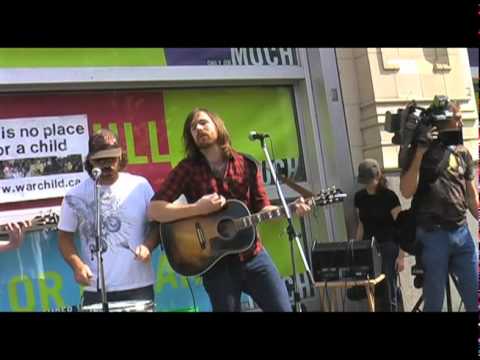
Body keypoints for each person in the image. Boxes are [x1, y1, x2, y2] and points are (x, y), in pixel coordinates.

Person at [148, 108, 310, 312]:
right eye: (193, 127)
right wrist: (197, 208)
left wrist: (291, 209)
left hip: (254, 256)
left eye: (203, 123)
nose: (198, 128)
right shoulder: (187, 169)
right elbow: (155, 210)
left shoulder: (247, 164)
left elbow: (263, 208)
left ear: (217, 126)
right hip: (216, 265)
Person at [58, 129, 159, 307]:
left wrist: (148, 246)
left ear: (121, 156)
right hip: (95, 287)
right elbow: (64, 238)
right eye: (100, 160)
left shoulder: (140, 186)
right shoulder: (75, 195)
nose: (107, 165)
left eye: (112, 158)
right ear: (90, 160)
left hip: (138, 284)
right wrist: (78, 266)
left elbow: (157, 225)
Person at [399, 101, 478, 312]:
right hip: (433, 236)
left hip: (462, 234)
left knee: (476, 298)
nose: (461, 121)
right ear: (444, 121)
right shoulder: (420, 150)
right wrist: (419, 153)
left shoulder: (462, 152)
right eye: (457, 117)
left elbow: (471, 196)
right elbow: (406, 190)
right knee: (435, 304)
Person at [354, 158, 405, 312]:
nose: (368, 183)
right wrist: (356, 248)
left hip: (388, 245)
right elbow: (361, 225)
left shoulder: (389, 196)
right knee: (372, 288)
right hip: (369, 246)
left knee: (388, 287)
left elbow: (402, 225)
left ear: (378, 176)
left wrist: (401, 255)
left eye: (370, 180)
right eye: (366, 181)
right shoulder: (359, 197)